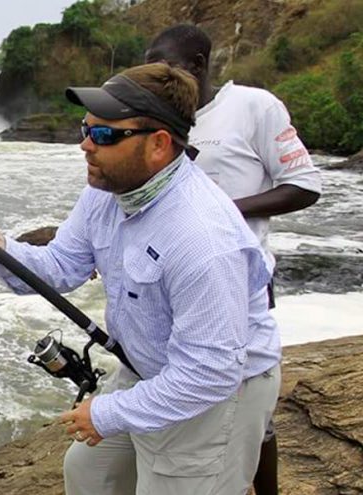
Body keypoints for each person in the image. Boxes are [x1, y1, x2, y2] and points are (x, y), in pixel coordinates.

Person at [0, 63, 281, 494]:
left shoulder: (204, 239)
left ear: (160, 145)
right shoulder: (106, 192)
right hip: (149, 368)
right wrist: (2, 251)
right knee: (89, 472)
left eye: (104, 135)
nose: (86, 145)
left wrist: (105, 413)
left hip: (219, 393)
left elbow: (209, 373)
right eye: (83, 129)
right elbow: (61, 265)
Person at [145, 24, 322, 495]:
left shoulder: (252, 106)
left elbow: (305, 185)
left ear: (199, 66)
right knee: (191, 395)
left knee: (251, 407)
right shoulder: (158, 116)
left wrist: (224, 210)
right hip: (172, 286)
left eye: (169, 65)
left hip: (240, 281)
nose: (160, 75)